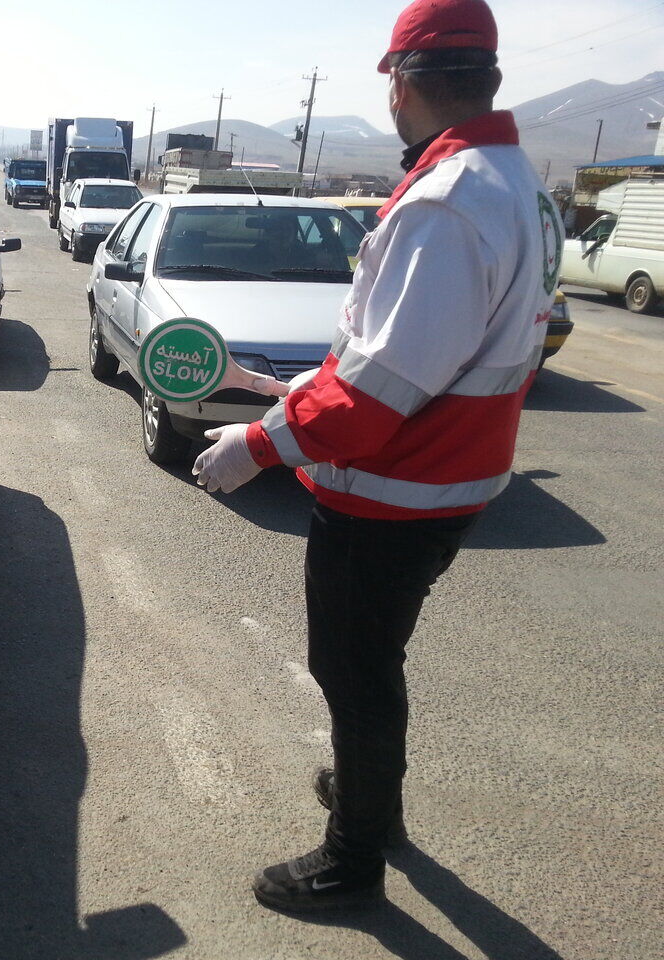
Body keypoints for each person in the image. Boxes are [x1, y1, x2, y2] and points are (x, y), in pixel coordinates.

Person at [192, 0, 563, 912]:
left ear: (401, 82)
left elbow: (380, 384)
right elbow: (412, 355)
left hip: (393, 489)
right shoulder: (516, 181)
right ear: (491, 79)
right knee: (373, 663)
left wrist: (257, 443)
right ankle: (372, 795)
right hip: (448, 477)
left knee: (352, 671)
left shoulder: (447, 201)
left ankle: (354, 854)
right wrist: (304, 395)